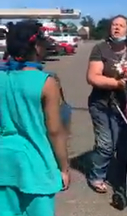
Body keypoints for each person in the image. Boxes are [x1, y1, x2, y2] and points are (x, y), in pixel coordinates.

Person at [0, 21, 70, 216]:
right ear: (37, 47)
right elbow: (55, 131)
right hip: (36, 166)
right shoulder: (46, 83)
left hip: (3, 164)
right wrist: (63, 167)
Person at [86, 15, 127, 193]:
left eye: (121, 25)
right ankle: (97, 176)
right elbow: (93, 77)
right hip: (102, 104)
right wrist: (116, 84)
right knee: (106, 145)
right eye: (114, 25)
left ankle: (124, 177)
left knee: (126, 144)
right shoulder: (100, 48)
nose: (116, 28)